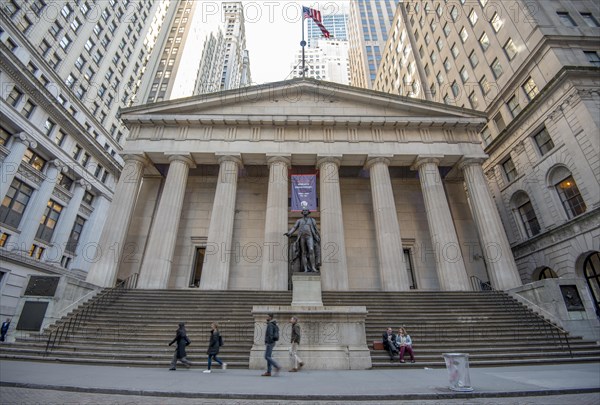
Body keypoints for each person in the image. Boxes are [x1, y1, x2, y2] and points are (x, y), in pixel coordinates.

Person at [284, 208, 321, 273]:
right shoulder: (299, 220)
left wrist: (318, 235)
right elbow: (294, 227)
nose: (304, 211)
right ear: (302, 212)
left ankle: (313, 267)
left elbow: (316, 229)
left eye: (306, 210)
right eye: (303, 211)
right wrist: (289, 233)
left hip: (310, 237)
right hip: (302, 237)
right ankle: (306, 268)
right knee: (304, 252)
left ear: (308, 212)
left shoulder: (312, 220)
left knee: (311, 250)